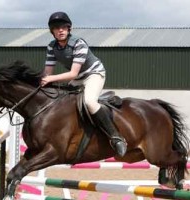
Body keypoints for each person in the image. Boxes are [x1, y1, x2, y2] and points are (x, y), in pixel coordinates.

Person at [41, 11, 127, 157]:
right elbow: (47, 72)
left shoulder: (79, 43)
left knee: (89, 102)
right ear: (52, 31)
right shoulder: (51, 47)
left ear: (69, 29)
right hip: (79, 77)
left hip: (94, 74)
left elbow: (73, 73)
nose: (60, 30)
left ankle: (116, 137)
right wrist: (42, 81)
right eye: (56, 28)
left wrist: (50, 79)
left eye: (63, 27)